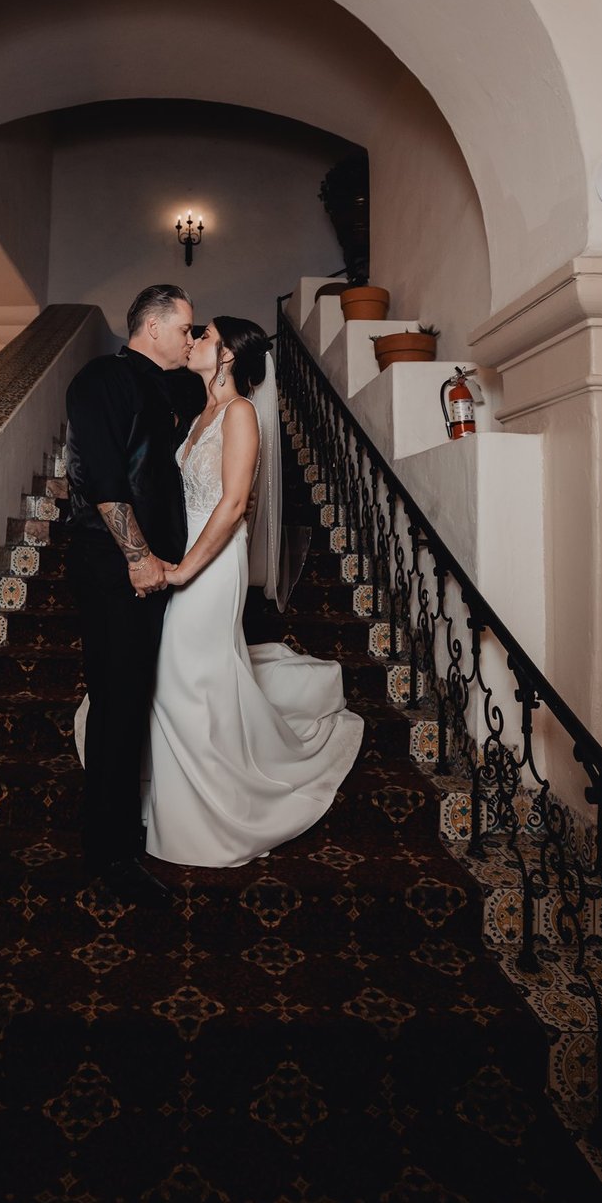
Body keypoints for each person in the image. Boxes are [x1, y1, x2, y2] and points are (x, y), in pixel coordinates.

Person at [144, 316, 364, 868]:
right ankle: (183, 807)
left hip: (213, 566)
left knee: (185, 679)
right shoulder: (202, 415)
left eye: (205, 335)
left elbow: (235, 503)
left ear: (228, 358)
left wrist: (185, 570)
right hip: (190, 554)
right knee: (183, 680)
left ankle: (217, 815)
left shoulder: (239, 414)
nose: (193, 340)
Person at [64, 284, 194, 904]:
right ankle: (110, 855)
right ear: (151, 326)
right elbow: (103, 480)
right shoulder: (100, 379)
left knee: (133, 699)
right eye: (185, 329)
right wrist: (139, 558)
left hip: (155, 570)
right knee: (116, 702)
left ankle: (115, 828)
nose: (191, 339)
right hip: (115, 567)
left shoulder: (171, 387)